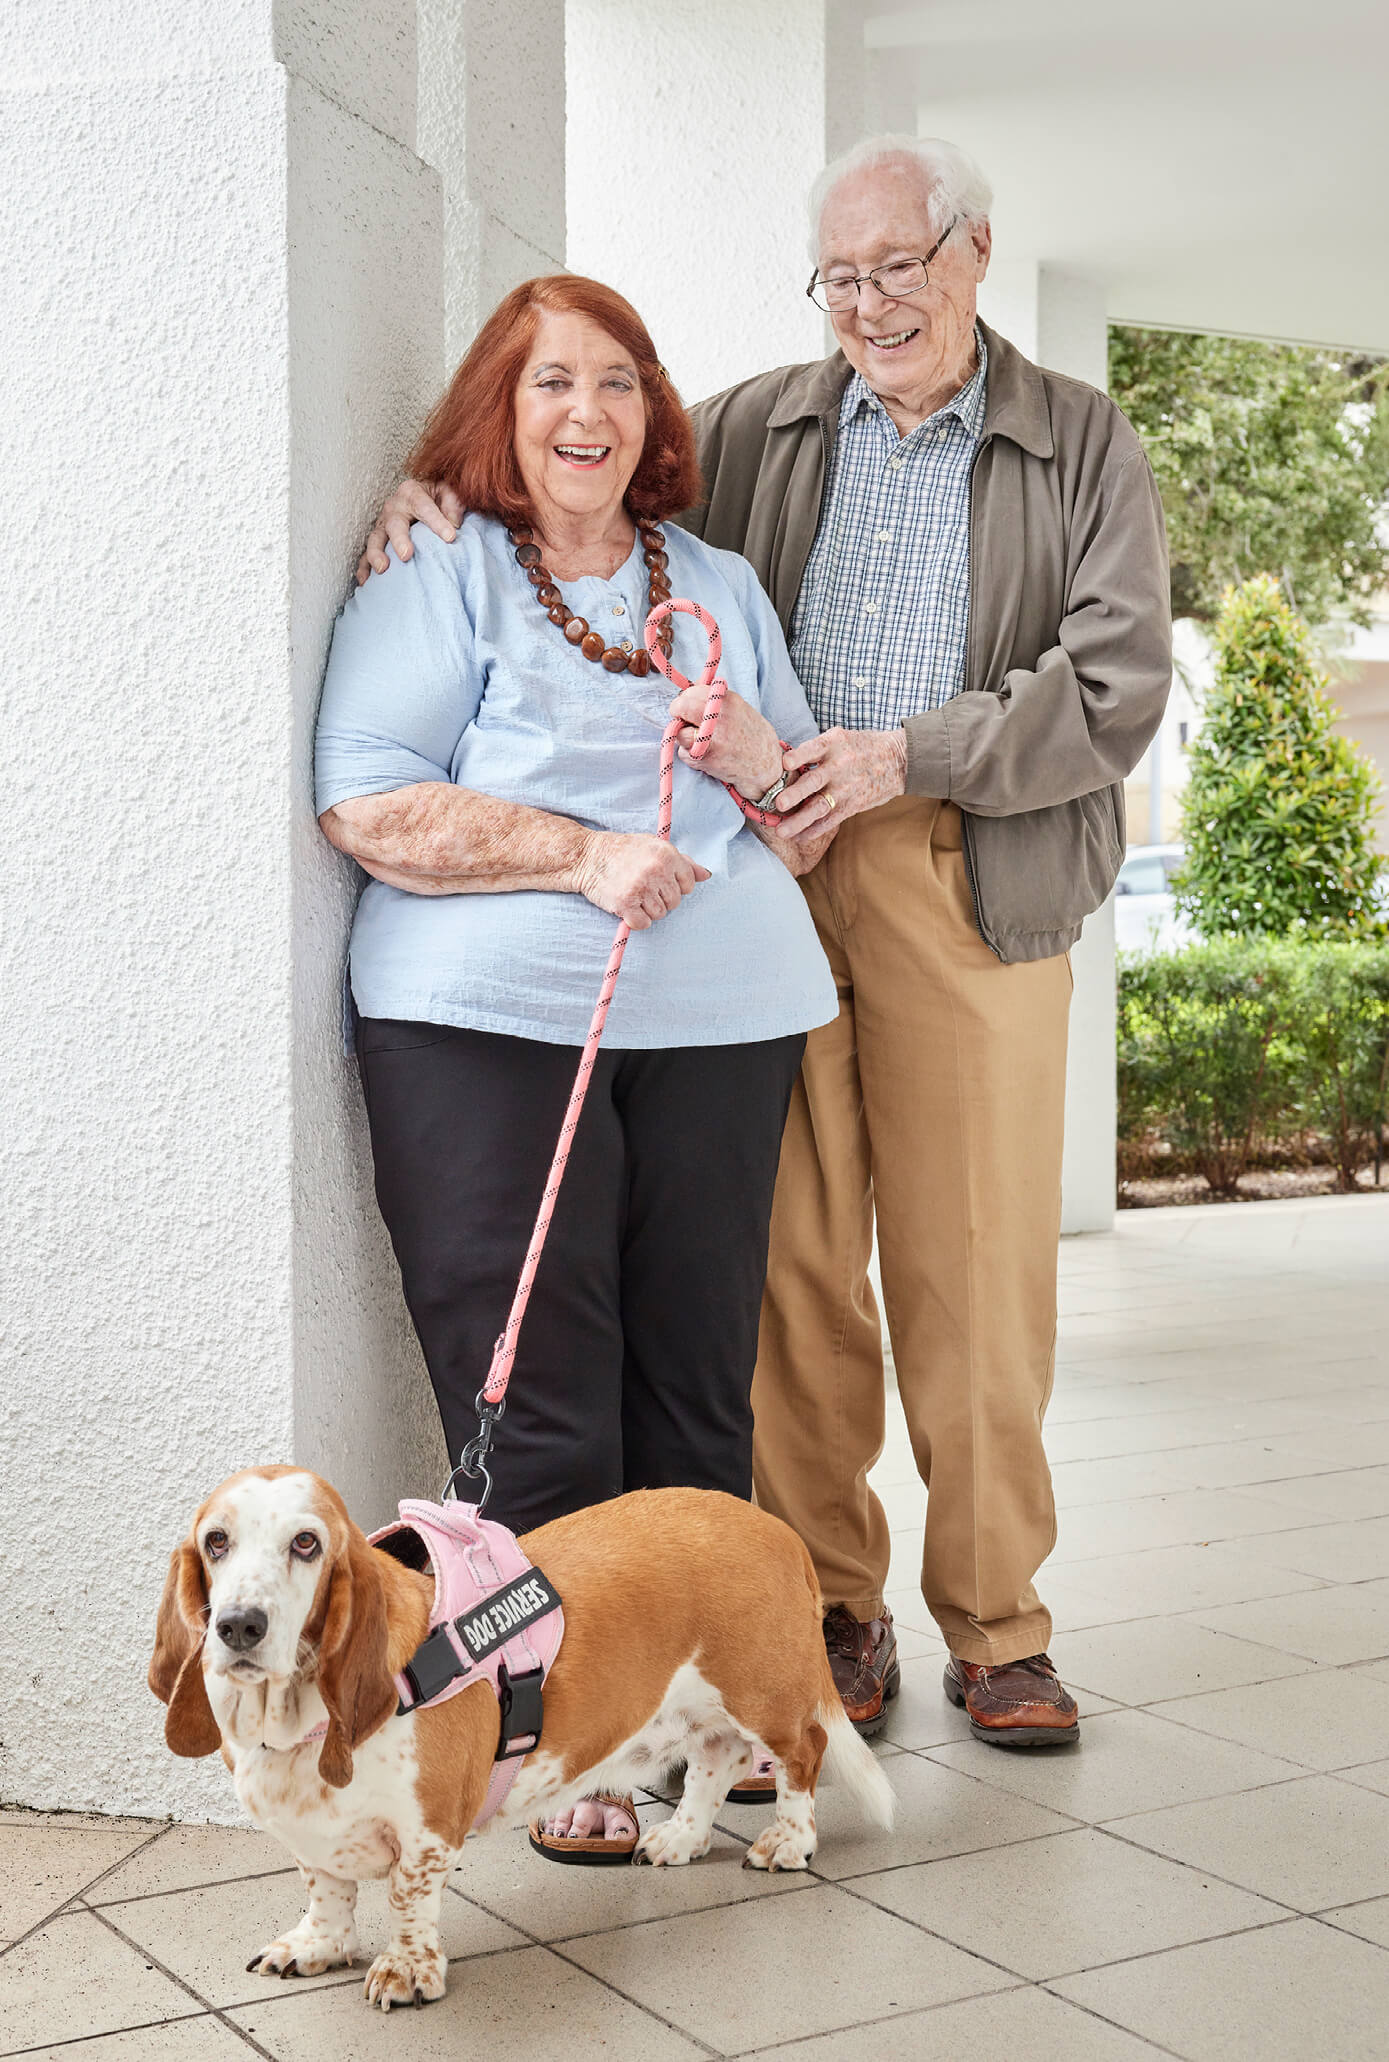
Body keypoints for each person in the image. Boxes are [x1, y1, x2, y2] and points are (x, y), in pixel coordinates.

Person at [360, 136, 1172, 1753]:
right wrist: (431, 483)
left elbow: (1114, 683)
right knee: (794, 1276)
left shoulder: (1078, 441)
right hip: (764, 884)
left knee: (972, 1272)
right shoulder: (757, 423)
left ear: (973, 254)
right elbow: (589, 469)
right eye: (839, 275)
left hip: (963, 864)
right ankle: (825, 1605)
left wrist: (904, 755)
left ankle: (998, 1622)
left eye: (898, 266)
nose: (868, 305)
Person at [315, 273, 836, 1859]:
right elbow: (366, 798)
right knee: (540, 1401)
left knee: (693, 1379)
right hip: (485, 1031)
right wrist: (581, 854)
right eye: (550, 384)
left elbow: (801, 813)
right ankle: (565, 1743)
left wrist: (742, 747)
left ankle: (713, 1723)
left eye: (616, 382)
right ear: (498, 409)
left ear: (653, 414)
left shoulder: (720, 582)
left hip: (725, 1025)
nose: (586, 414)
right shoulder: (438, 568)